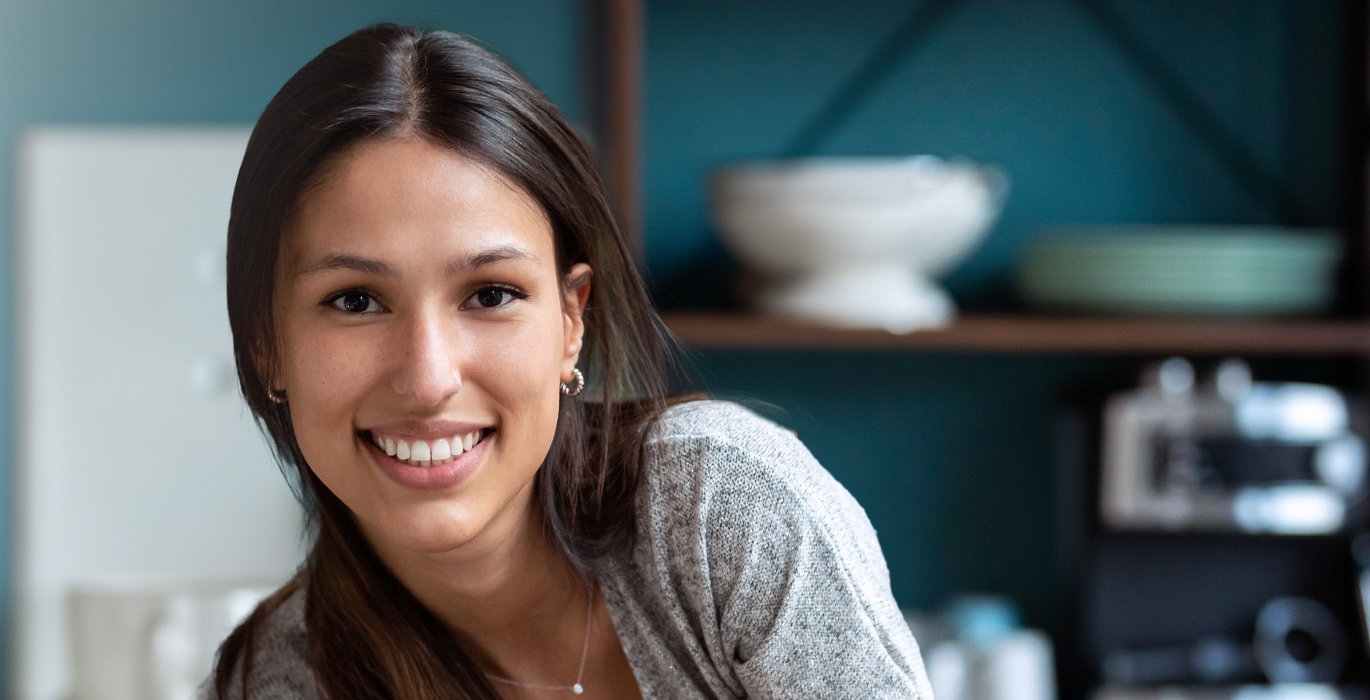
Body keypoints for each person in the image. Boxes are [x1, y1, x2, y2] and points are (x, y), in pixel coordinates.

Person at [201, 23, 931, 700]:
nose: (427, 378)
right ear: (268, 344)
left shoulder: (724, 511)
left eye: (490, 294)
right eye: (356, 301)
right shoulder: (281, 679)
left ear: (570, 322)